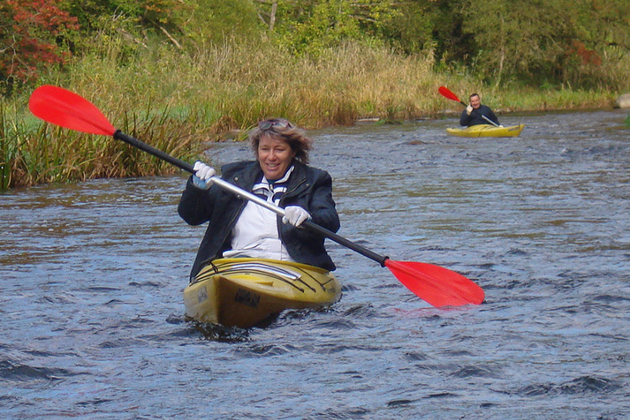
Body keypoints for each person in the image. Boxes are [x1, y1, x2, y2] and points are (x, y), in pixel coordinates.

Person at [178, 117, 340, 280]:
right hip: (236, 268)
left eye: (279, 149)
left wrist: (309, 219)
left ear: (293, 151)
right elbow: (192, 216)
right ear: (257, 151)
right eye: (265, 149)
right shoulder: (234, 179)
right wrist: (197, 189)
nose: (271, 157)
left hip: (292, 271)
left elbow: (330, 221)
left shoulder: (315, 180)